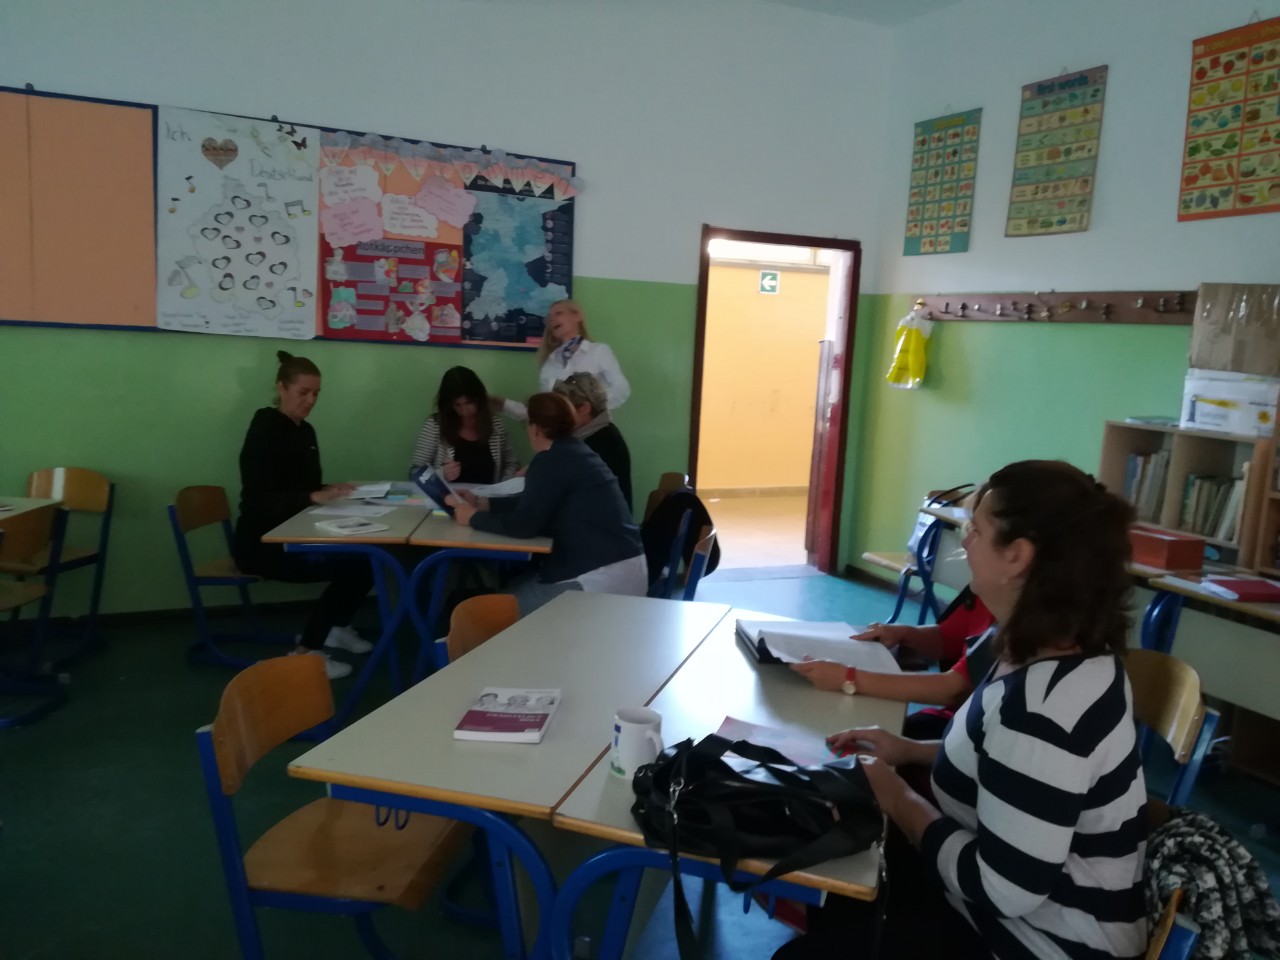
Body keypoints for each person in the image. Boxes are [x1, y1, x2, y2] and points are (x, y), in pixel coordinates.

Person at [777, 460, 1148, 960]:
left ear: (1016, 555)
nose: (965, 542)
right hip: (1011, 907)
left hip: (1040, 942)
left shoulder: (1042, 711)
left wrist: (898, 797)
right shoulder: (1046, 647)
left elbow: (1003, 890)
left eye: (975, 529)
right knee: (842, 867)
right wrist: (909, 750)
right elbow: (1007, 767)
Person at [231, 351, 375, 680]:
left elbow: (301, 485)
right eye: (303, 392)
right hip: (261, 544)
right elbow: (259, 498)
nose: (310, 400)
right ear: (281, 388)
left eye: (316, 394)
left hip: (298, 530)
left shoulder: (305, 431)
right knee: (354, 567)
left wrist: (328, 488)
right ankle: (306, 652)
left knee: (367, 559)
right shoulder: (264, 428)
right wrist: (310, 496)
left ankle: (336, 628)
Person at [447, 392, 645, 607]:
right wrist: (484, 503)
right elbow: (538, 502)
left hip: (598, 577)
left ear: (535, 429)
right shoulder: (575, 450)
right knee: (510, 590)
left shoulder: (550, 460)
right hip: (624, 566)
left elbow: (523, 525)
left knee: (497, 612)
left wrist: (472, 517)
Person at [790, 587, 996, 740]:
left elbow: (955, 689)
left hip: (973, 737)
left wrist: (849, 678)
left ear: (1011, 555)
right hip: (957, 722)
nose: (965, 545)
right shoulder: (988, 594)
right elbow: (948, 638)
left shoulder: (1011, 623)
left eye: (976, 538)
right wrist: (905, 633)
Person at [494, 300, 630, 419]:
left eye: (558, 313)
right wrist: (503, 405)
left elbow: (621, 388)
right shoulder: (550, 362)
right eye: (549, 317)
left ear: (577, 316)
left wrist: (590, 406)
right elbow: (543, 410)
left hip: (595, 432)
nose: (552, 319)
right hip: (560, 435)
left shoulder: (599, 351)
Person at [410, 366, 518, 483]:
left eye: (469, 403)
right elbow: (415, 472)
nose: (464, 411)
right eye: (457, 405)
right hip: (450, 494)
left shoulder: (495, 425)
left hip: (489, 494)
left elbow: (511, 463)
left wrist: (506, 483)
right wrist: (441, 474)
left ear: (479, 399)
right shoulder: (435, 425)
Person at [552, 371, 633, 511]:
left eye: (563, 409)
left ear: (584, 408)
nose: (558, 415)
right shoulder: (598, 433)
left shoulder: (602, 443)